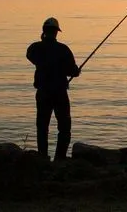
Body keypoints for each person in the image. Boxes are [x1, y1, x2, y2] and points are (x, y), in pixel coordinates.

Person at [26, 17, 80, 160]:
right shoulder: (63, 50)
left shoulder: (35, 48)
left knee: (42, 127)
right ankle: (60, 158)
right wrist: (75, 71)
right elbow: (73, 71)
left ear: (44, 31)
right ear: (56, 32)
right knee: (64, 127)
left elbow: (29, 55)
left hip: (43, 92)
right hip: (60, 93)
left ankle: (42, 157)